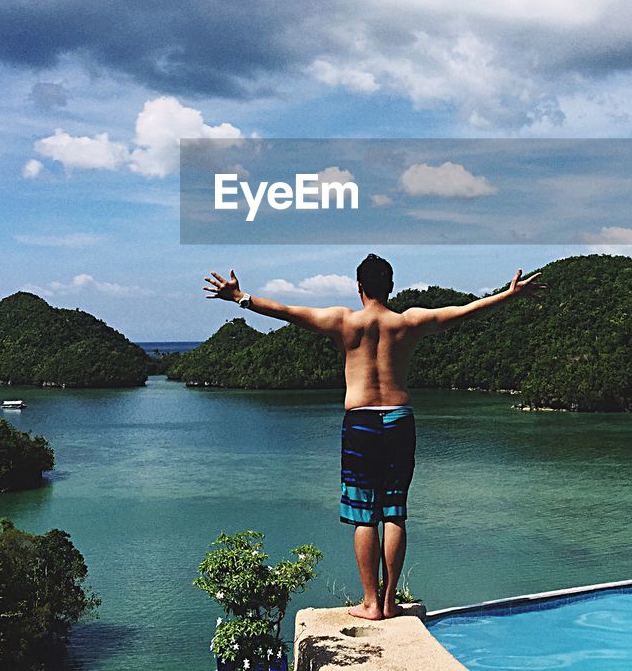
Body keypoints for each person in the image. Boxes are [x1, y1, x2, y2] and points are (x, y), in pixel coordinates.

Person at [202, 254, 544, 620]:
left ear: (359, 287)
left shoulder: (344, 321)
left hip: (361, 421)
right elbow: (463, 312)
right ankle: (390, 602)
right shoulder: (409, 322)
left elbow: (287, 311)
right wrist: (508, 296)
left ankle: (369, 603)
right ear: (391, 286)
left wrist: (240, 297)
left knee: (364, 514)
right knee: (394, 511)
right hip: (399, 418)